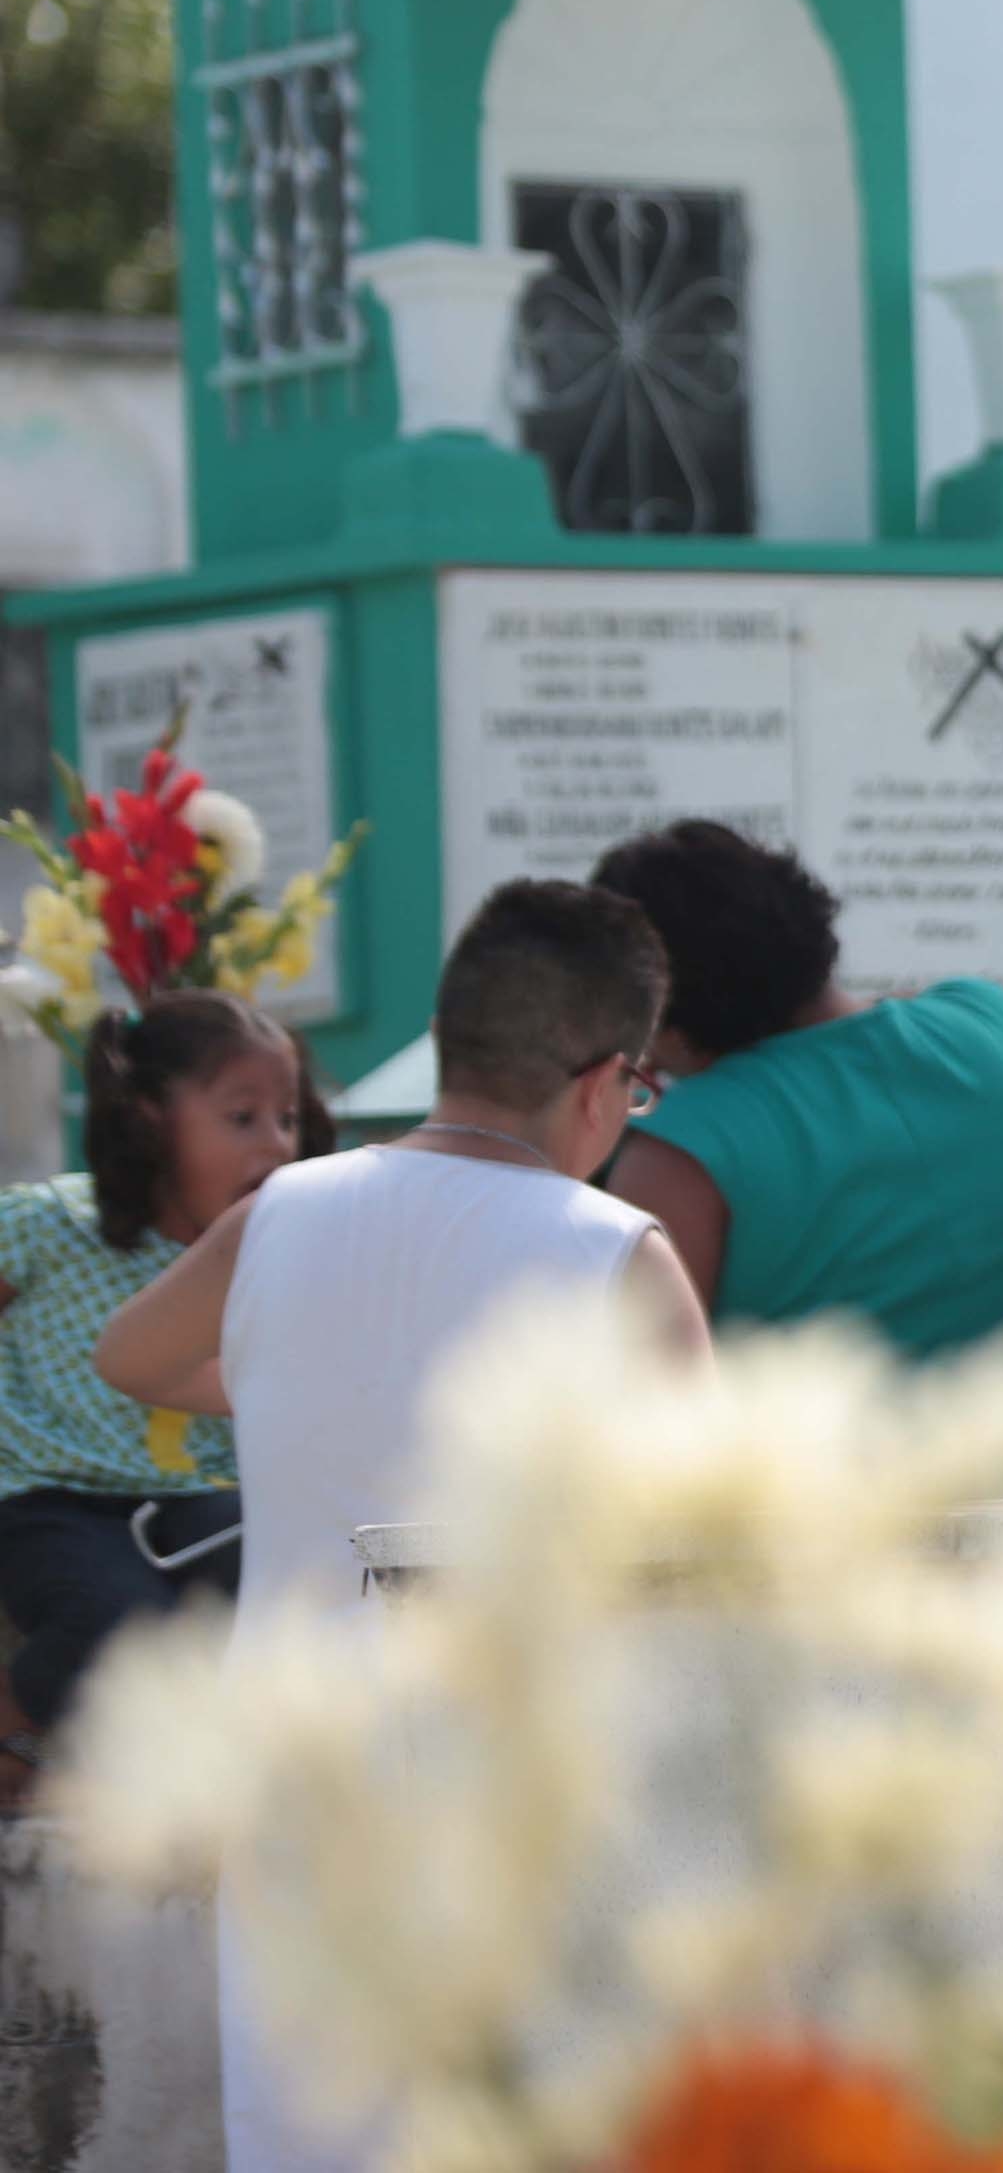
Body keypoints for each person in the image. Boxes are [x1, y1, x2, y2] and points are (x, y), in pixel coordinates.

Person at [92, 880, 710, 2173]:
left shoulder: (282, 1212)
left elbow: (130, 1354)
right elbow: (703, 1547)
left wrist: (276, 1386)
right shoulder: (617, 1252)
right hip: (521, 1793)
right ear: (604, 1081)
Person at [592, 820, 1003, 1360]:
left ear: (661, 1011)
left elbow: (644, 1394)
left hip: (816, 1447)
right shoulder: (1001, 1022)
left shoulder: (680, 1152)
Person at [0, 994, 327, 1739]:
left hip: (197, 1502)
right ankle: (13, 1725)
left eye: (288, 1118)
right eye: (242, 1118)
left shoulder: (272, 1254)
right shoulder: (51, 1223)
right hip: (51, 1499)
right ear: (150, 1116)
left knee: (295, 1570)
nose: (277, 1146)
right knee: (117, 1626)